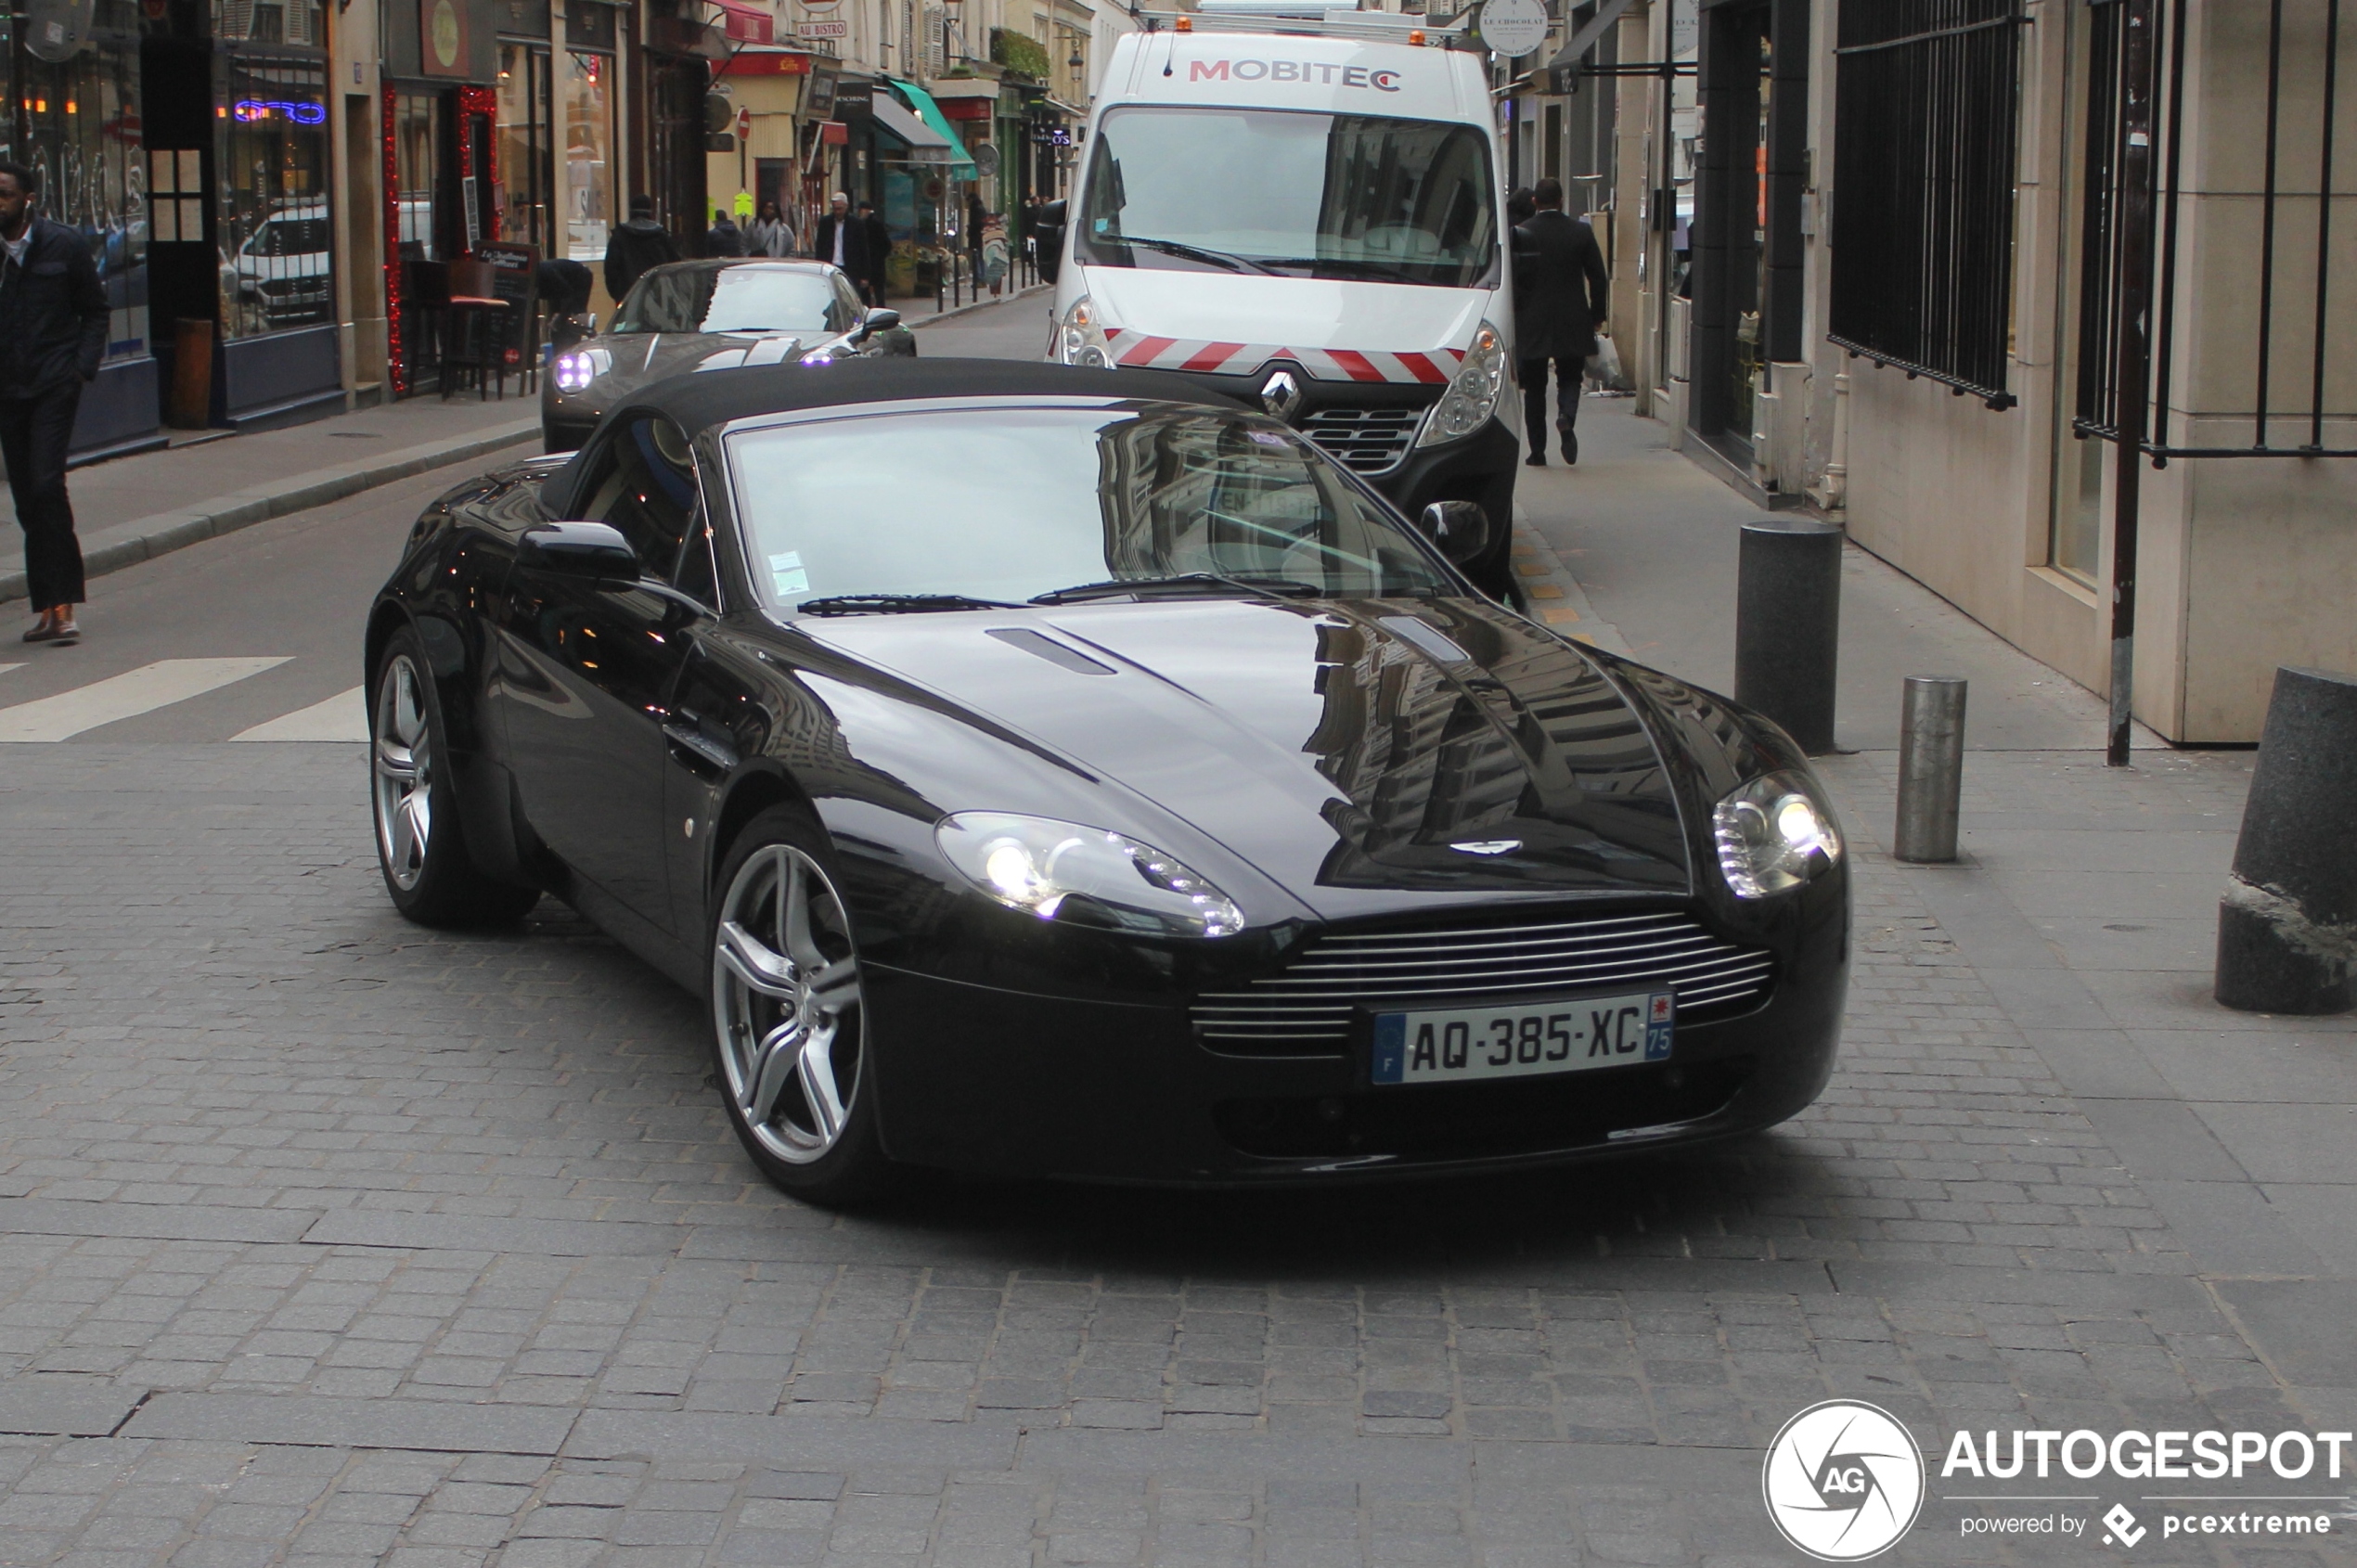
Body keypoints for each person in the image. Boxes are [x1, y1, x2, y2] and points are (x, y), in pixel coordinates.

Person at [0, 161, 106, 646]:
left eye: (3, 194)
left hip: (52, 386)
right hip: (8, 390)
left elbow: (96, 312)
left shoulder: (63, 244)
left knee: (45, 483)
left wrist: (79, 368)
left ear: (27, 199)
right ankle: (45, 607)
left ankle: (64, 606)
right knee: (26, 496)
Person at [1512, 176, 1609, 468]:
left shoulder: (1521, 233)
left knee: (1535, 389)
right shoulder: (1580, 232)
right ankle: (1566, 416)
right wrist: (1597, 315)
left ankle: (1537, 452)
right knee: (1570, 377)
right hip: (1572, 318)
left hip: (1532, 321)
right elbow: (1598, 277)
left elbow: (1514, 279)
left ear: (1534, 202)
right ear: (1562, 200)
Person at [603, 195, 679, 303]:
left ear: (631, 211)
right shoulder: (661, 236)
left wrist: (618, 294)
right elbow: (674, 264)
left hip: (628, 294)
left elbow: (611, 269)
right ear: (651, 212)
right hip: (658, 294)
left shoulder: (619, 236)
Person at [813, 192, 874, 302]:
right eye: (835, 209)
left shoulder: (857, 224)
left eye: (840, 209)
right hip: (830, 265)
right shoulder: (825, 223)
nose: (837, 212)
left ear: (846, 206)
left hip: (851, 268)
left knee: (851, 298)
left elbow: (863, 249)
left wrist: (865, 276)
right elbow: (820, 246)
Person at [857, 201, 892, 305]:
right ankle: (880, 312)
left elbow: (885, 245)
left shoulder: (865, 224)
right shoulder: (876, 222)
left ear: (864, 210)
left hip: (869, 264)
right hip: (877, 264)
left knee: (866, 292)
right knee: (878, 292)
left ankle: (869, 312)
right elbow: (887, 245)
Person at [980, 212, 1010, 299]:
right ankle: (995, 290)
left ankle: (994, 290)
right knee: (994, 268)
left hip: (993, 250)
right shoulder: (999, 232)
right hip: (994, 250)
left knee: (994, 268)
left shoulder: (988, 232)